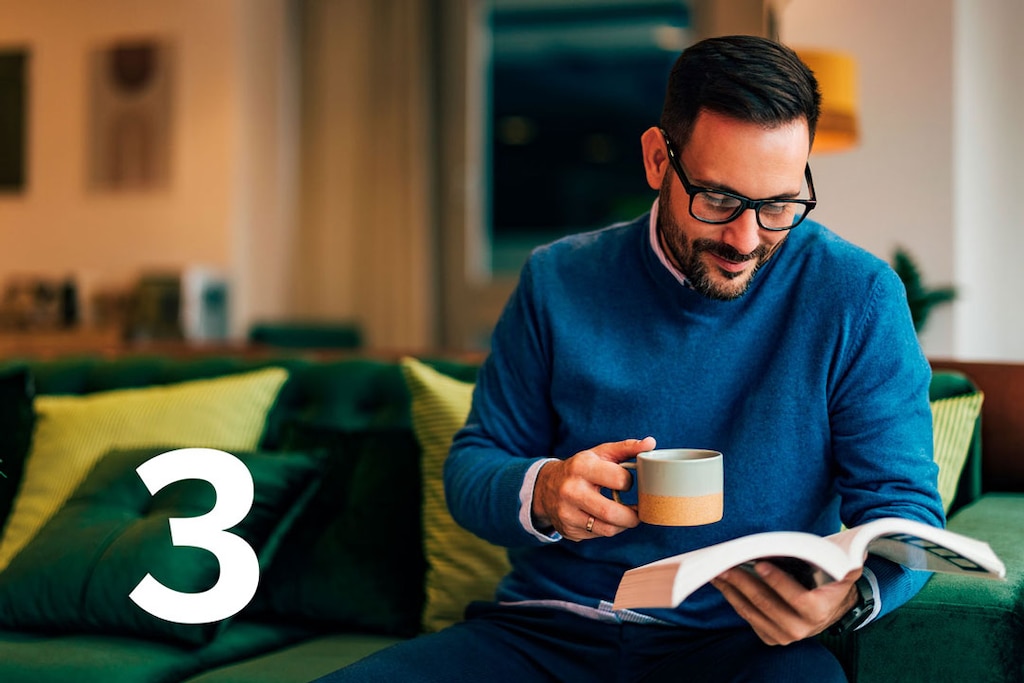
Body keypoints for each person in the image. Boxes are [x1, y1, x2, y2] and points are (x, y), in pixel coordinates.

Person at [314, 34, 944, 682]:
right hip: (542, 633)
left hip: (740, 648)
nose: (746, 238)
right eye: (719, 200)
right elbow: (472, 468)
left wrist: (851, 597)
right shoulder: (557, 278)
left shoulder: (855, 295)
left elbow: (907, 513)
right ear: (655, 159)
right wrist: (545, 490)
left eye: (780, 204)